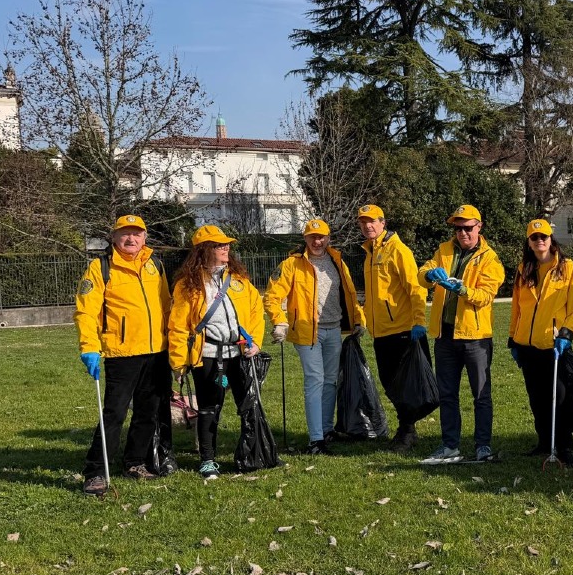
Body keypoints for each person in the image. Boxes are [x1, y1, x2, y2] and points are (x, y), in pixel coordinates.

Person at [73, 214, 172, 495]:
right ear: (114, 238)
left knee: (147, 412)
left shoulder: (156, 265)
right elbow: (86, 311)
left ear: (145, 237)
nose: (131, 239)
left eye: (137, 234)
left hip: (156, 352)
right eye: (125, 234)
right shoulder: (100, 267)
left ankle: (135, 462)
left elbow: (166, 307)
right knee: (114, 413)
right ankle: (96, 470)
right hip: (121, 353)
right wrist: (89, 348)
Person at [169, 225, 265, 478]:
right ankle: (208, 460)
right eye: (219, 245)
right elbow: (178, 326)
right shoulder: (187, 285)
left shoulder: (239, 280)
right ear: (203, 250)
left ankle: (251, 454)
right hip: (208, 355)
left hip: (240, 354)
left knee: (248, 405)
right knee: (210, 407)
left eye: (226, 244)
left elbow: (256, 310)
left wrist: (255, 342)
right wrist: (179, 363)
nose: (226, 248)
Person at [263, 219, 366, 455]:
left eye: (321, 237)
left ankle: (327, 430)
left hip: (333, 330)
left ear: (328, 238)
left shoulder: (337, 261)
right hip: (307, 332)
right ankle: (315, 440)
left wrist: (359, 320)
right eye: (312, 237)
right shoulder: (291, 264)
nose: (317, 241)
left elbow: (349, 294)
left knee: (330, 381)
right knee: (315, 380)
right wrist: (279, 321)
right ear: (305, 238)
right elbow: (272, 296)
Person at [417, 204, 506, 464]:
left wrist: (463, 290)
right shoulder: (444, 250)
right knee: (447, 394)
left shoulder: (490, 258)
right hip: (445, 336)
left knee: (481, 395)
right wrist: (430, 275)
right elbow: (422, 273)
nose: (463, 233)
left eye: (468, 228)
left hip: (476, 337)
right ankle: (450, 446)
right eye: (458, 228)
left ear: (479, 227)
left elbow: (486, 296)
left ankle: (482, 446)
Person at [508, 218, 573, 466]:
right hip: (527, 345)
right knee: (537, 398)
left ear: (551, 239)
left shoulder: (567, 267)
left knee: (560, 397)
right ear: (529, 242)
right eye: (535, 237)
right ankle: (544, 442)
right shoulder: (524, 269)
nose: (540, 240)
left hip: (555, 345)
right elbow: (517, 308)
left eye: (543, 236)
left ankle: (564, 447)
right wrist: (513, 339)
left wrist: (568, 332)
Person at [357, 204, 429, 452]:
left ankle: (407, 432)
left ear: (382, 223)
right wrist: (363, 320)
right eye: (363, 222)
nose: (368, 226)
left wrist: (419, 321)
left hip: (402, 330)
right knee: (390, 384)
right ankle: (406, 428)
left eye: (372, 221)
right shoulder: (369, 252)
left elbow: (416, 288)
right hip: (382, 333)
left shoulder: (398, 250)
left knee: (404, 385)